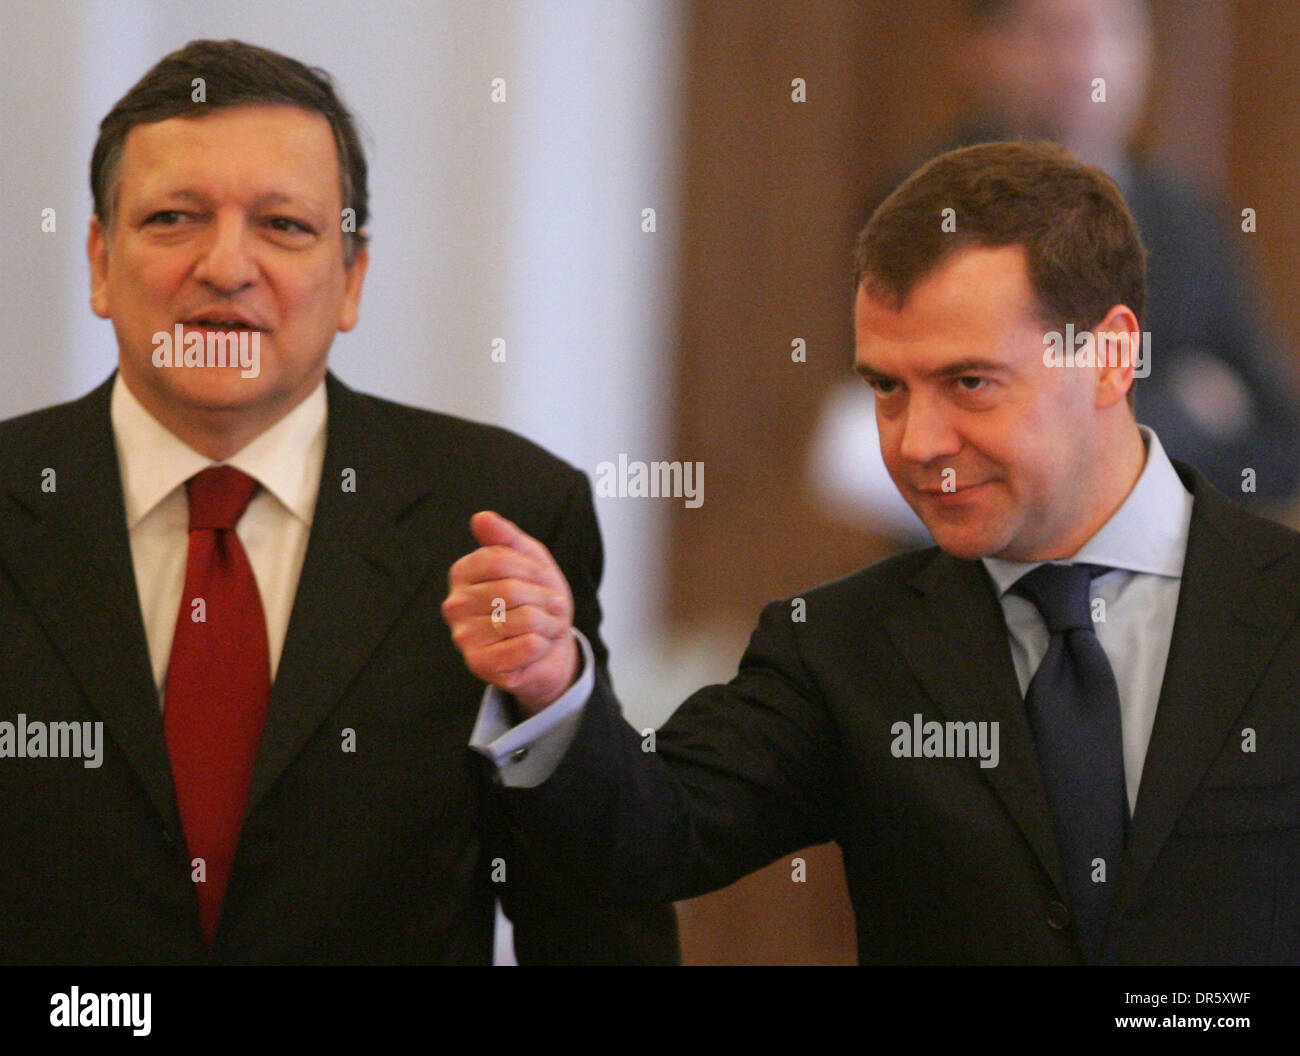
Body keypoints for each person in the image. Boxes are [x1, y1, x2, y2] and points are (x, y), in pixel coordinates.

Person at [444, 141, 1300, 965]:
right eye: (887, 388)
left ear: (1110, 356)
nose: (918, 442)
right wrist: (552, 688)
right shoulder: (842, 645)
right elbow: (650, 833)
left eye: (969, 383)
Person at [0, 38, 677, 965]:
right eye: (173, 218)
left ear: (352, 278)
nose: (226, 266)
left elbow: (596, 907)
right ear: (100, 262)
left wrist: (555, 709)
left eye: (283, 226)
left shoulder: (503, 511)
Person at [814, 0, 1300, 541]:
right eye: (1052, 33)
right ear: (982, 51)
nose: (1083, 62)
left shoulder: (1184, 214)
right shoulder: (925, 210)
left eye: (1111, 31)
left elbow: (1279, 438)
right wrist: (1184, 417)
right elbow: (965, 428)